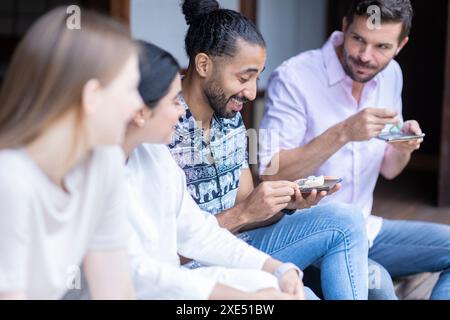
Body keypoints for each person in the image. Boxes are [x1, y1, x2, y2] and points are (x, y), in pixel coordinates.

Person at [168, 0, 370, 300]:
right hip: (193, 269)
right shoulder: (162, 126)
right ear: (203, 65)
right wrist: (242, 213)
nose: (251, 92)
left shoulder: (230, 119)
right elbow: (165, 251)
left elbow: (247, 209)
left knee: (347, 219)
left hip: (240, 247)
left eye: (256, 78)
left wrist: (286, 204)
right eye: (243, 77)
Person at [259, 0, 450, 300]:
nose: (365, 56)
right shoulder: (293, 77)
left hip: (367, 227)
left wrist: (404, 147)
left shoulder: (391, 75)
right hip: (311, 233)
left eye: (382, 47)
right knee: (379, 285)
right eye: (358, 39)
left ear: (401, 45)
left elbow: (389, 169)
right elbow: (270, 174)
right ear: (345, 27)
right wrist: (344, 132)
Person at [122, 41, 311, 300]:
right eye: (173, 102)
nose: (181, 111)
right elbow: (138, 274)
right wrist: (243, 299)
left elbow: (199, 232)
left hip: (176, 283)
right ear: (141, 112)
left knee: (275, 284)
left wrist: (279, 270)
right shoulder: (95, 175)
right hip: (149, 290)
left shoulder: (154, 156)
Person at [0, 7, 142, 300]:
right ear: (92, 96)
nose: (139, 104)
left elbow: (115, 290)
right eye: (131, 89)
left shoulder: (105, 162)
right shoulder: (10, 178)